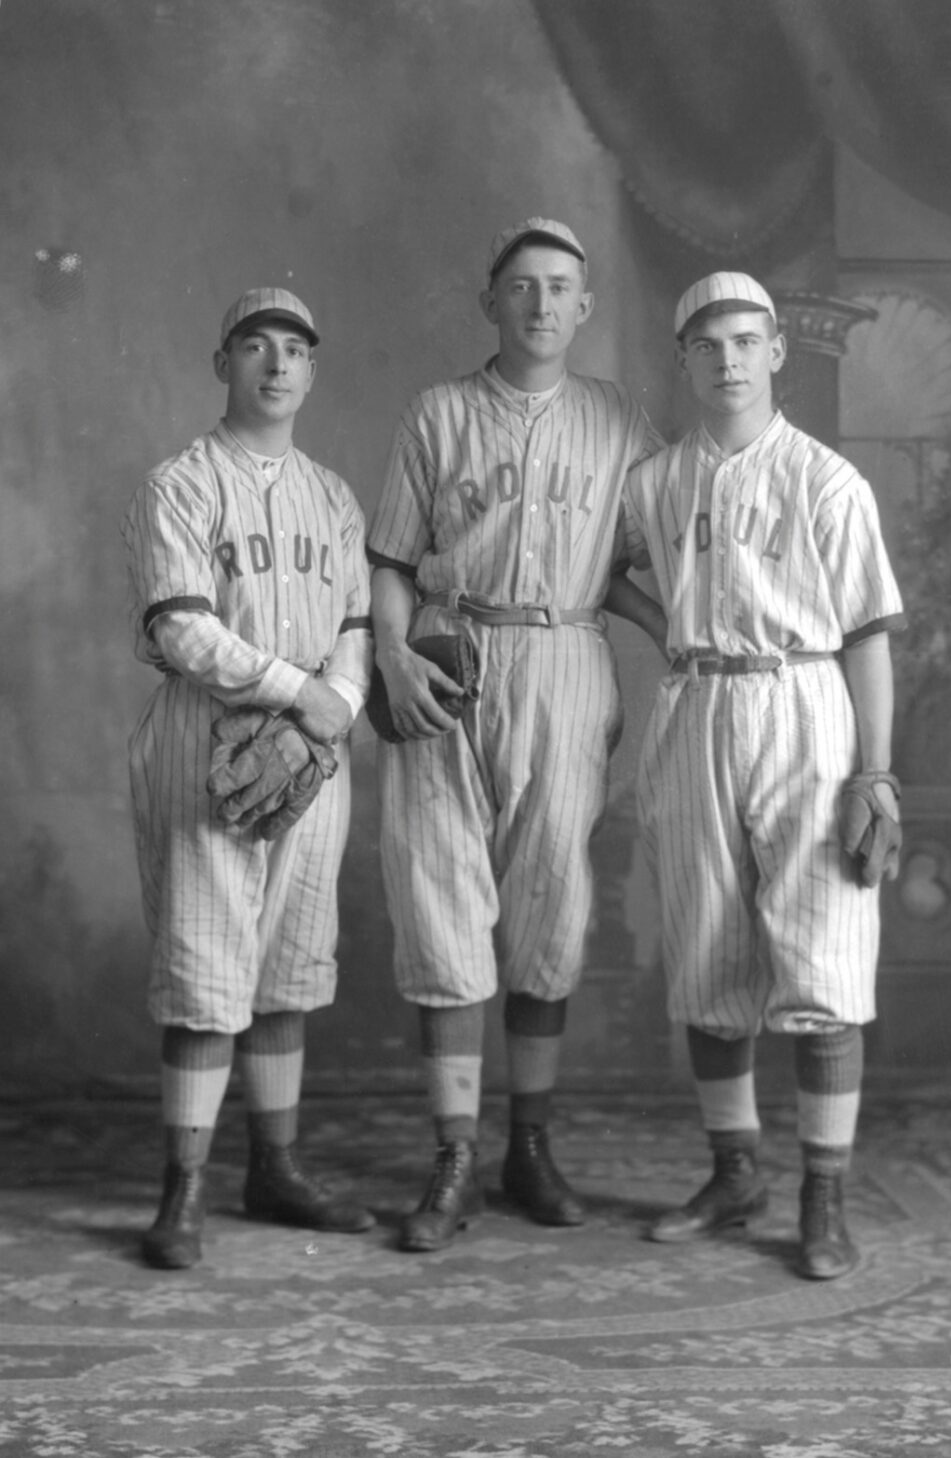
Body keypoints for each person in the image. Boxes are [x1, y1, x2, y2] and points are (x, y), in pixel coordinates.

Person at [367, 218, 663, 1252]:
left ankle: (527, 1146)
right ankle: (452, 1157)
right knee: (442, 902)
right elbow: (393, 559)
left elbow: (630, 560)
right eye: (522, 285)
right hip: (450, 656)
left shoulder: (618, 419)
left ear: (585, 308)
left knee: (550, 905)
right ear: (489, 301)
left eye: (561, 287)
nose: (541, 304)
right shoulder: (440, 413)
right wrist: (392, 659)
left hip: (564, 662)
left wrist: (673, 635)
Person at [621, 271, 905, 1280]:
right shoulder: (654, 483)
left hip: (803, 706)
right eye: (708, 345)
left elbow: (868, 635)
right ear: (685, 359)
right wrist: (671, 631)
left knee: (822, 956)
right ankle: (734, 1172)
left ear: (778, 350)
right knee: (708, 952)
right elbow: (601, 568)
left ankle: (822, 1197)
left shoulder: (827, 481)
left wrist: (873, 772)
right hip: (698, 705)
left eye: (746, 341)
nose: (728, 360)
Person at [122, 287, 375, 1270]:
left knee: (287, 970)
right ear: (221, 362)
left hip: (315, 750)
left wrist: (335, 715)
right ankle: (179, 1195)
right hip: (209, 736)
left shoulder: (334, 496)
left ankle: (274, 1168)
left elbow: (355, 635)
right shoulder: (179, 485)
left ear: (312, 371)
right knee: (205, 969)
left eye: (296, 350)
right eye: (256, 347)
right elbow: (178, 627)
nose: (277, 365)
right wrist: (295, 695)